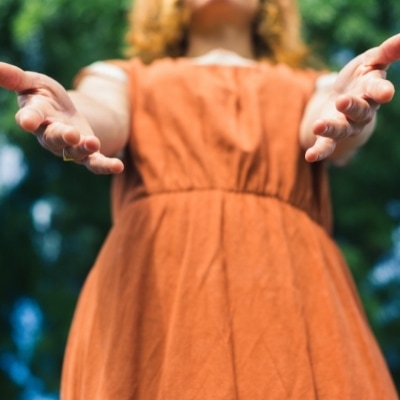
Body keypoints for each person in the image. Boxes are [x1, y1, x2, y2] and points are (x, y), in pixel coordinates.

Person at [0, 0, 399, 398]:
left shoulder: (314, 86)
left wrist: (352, 110)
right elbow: (98, 111)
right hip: (154, 292)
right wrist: (71, 116)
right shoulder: (124, 77)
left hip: (288, 291)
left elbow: (330, 124)